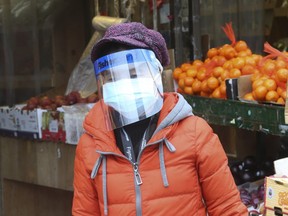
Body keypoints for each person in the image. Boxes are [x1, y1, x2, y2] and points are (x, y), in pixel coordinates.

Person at [72, 22, 248, 216]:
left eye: (133, 74)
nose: (123, 85)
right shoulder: (90, 146)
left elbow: (228, 209)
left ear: (155, 75)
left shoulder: (195, 133)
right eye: (112, 78)